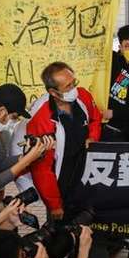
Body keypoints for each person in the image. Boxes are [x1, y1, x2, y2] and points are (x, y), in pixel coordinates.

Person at [27, 62, 102, 220]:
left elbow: (95, 118)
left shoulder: (83, 96)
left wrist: (93, 137)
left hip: (86, 174)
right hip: (61, 182)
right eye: (68, 86)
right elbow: (41, 168)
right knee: (60, 231)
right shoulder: (41, 120)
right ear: (53, 92)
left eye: (74, 82)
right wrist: (54, 205)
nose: (74, 89)